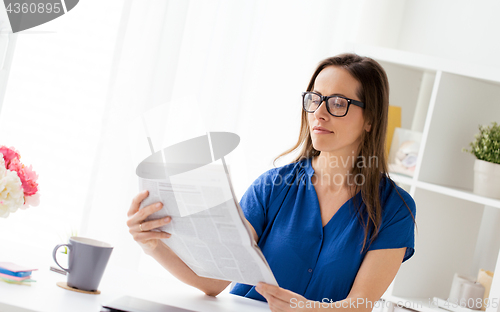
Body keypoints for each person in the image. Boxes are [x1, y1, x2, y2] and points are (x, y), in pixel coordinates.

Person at [126, 53, 417, 312]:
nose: (319, 112)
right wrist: (152, 245)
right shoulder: (273, 186)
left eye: (338, 103)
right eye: (314, 99)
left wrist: (308, 310)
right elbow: (214, 281)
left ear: (371, 119)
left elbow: (360, 303)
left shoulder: (394, 208)